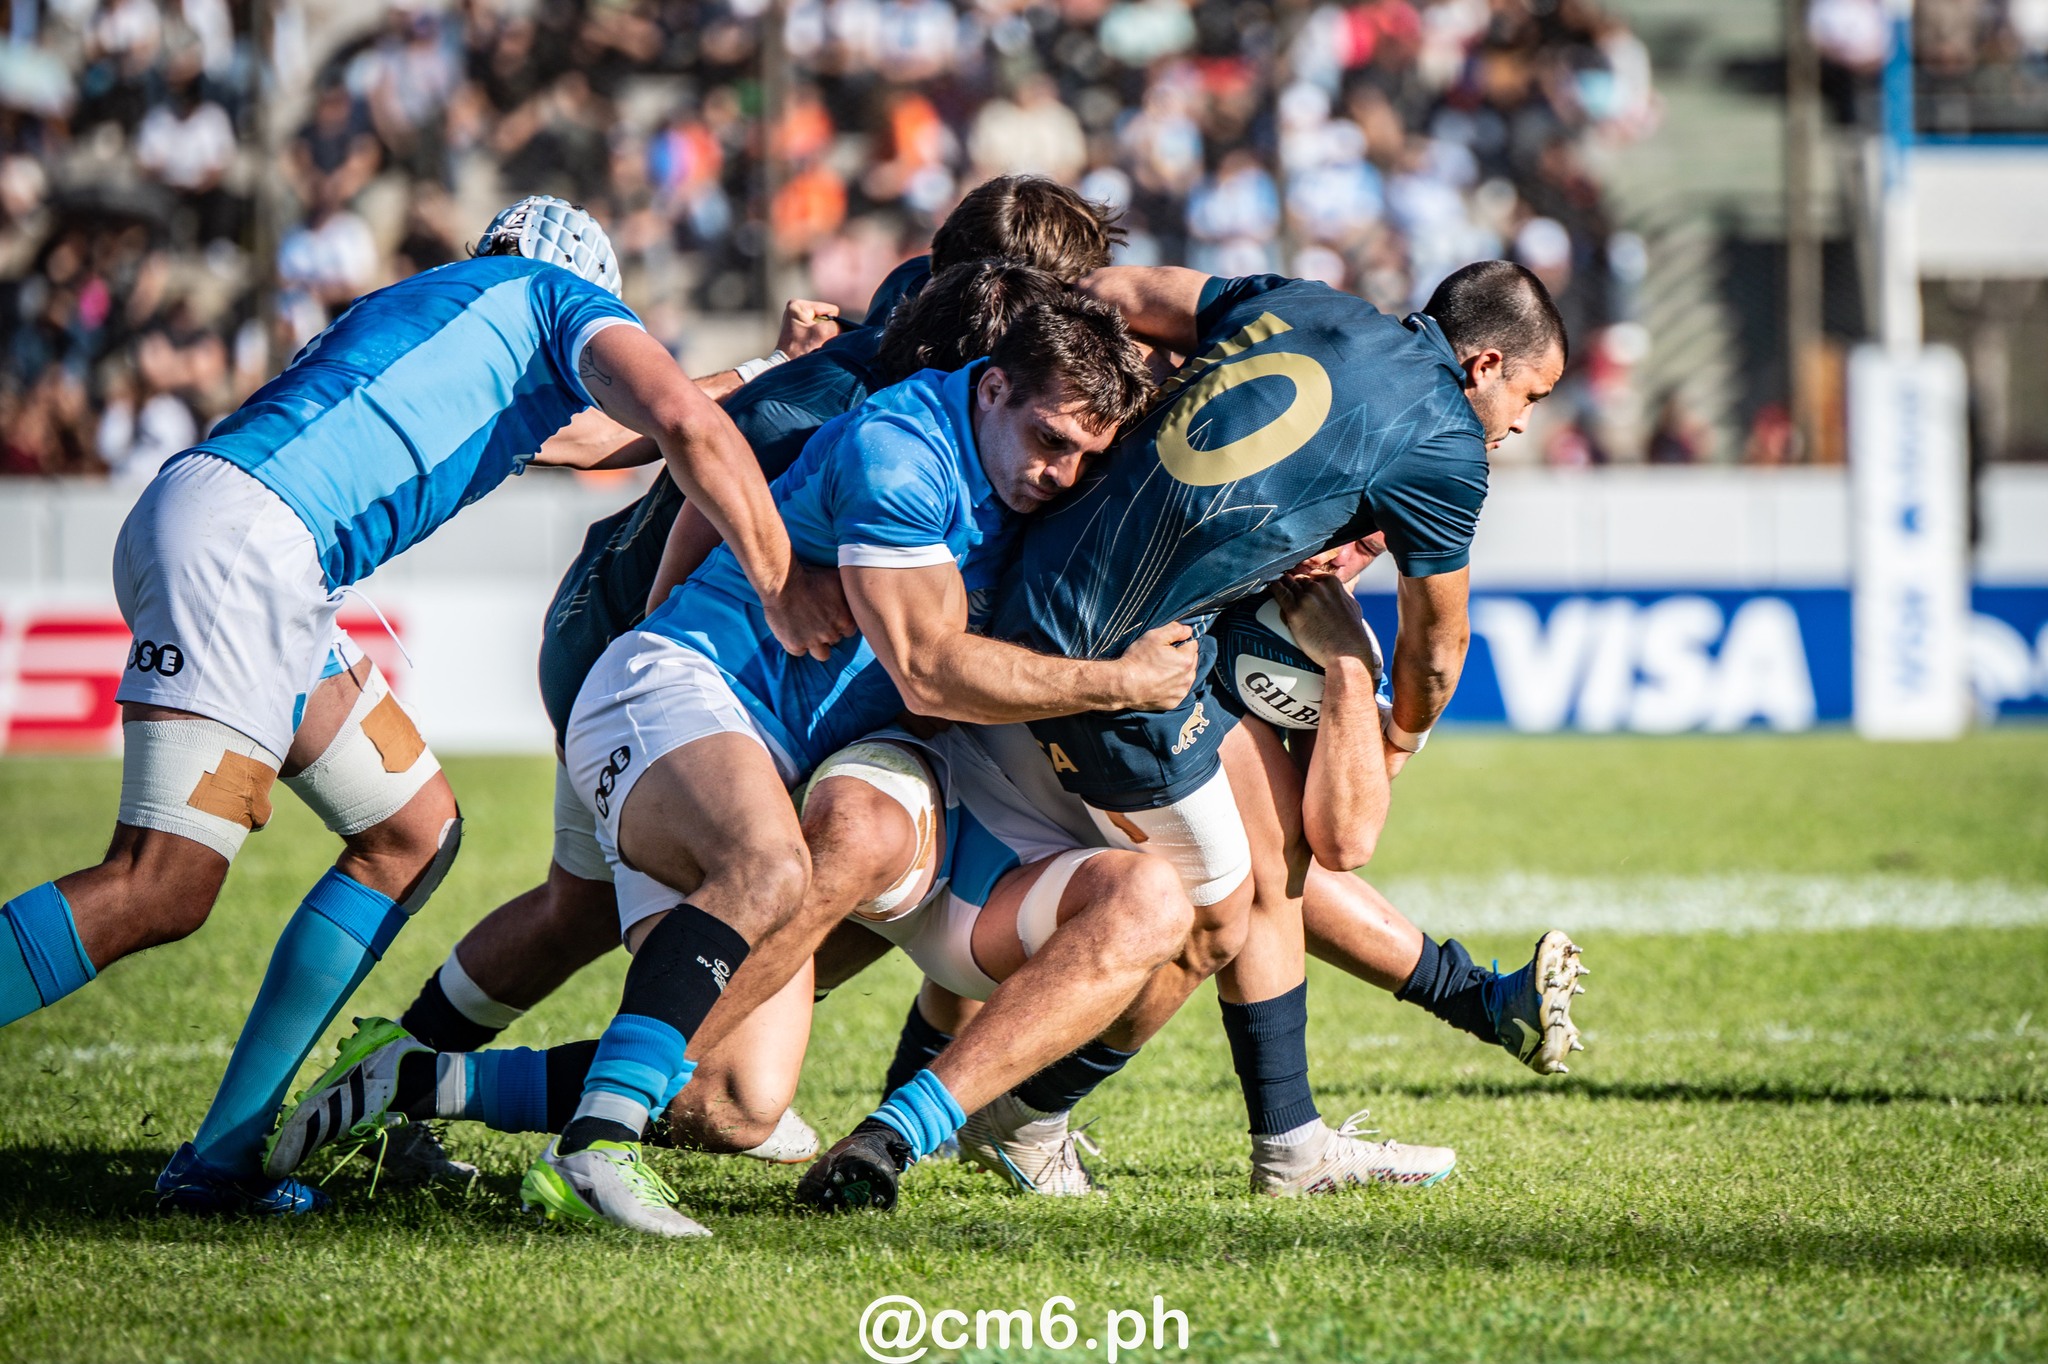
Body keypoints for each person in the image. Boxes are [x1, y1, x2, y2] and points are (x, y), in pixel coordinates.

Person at [0, 196, 842, 1218]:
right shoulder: (559, 295)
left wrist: (768, 371)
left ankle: (221, 1157)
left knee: (411, 827)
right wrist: (776, 575)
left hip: (243, 538)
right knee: (159, 884)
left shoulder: (441, 311)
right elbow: (677, 419)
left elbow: (580, 441)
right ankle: (219, 1158)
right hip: (252, 555)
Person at [363, 178, 1128, 1173]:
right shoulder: (879, 382)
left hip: (675, 657)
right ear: (1011, 299)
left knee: (608, 924)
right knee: (653, 925)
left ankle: (401, 1069)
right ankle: (471, 1084)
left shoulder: (923, 319)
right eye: (1071, 296)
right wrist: (718, 622)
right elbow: (708, 464)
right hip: (642, 637)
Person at [804, 258, 1576, 1200]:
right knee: (1219, 914)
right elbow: (1439, 646)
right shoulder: (1445, 438)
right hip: (1113, 669)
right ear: (1486, 363)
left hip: (1024, 580)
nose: (1523, 424)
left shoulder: (1299, 300)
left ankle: (1293, 1133)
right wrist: (1395, 731)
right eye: (1530, 395)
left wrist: (1145, 429)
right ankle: (1013, 1114)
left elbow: (1116, 293)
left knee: (1261, 852)